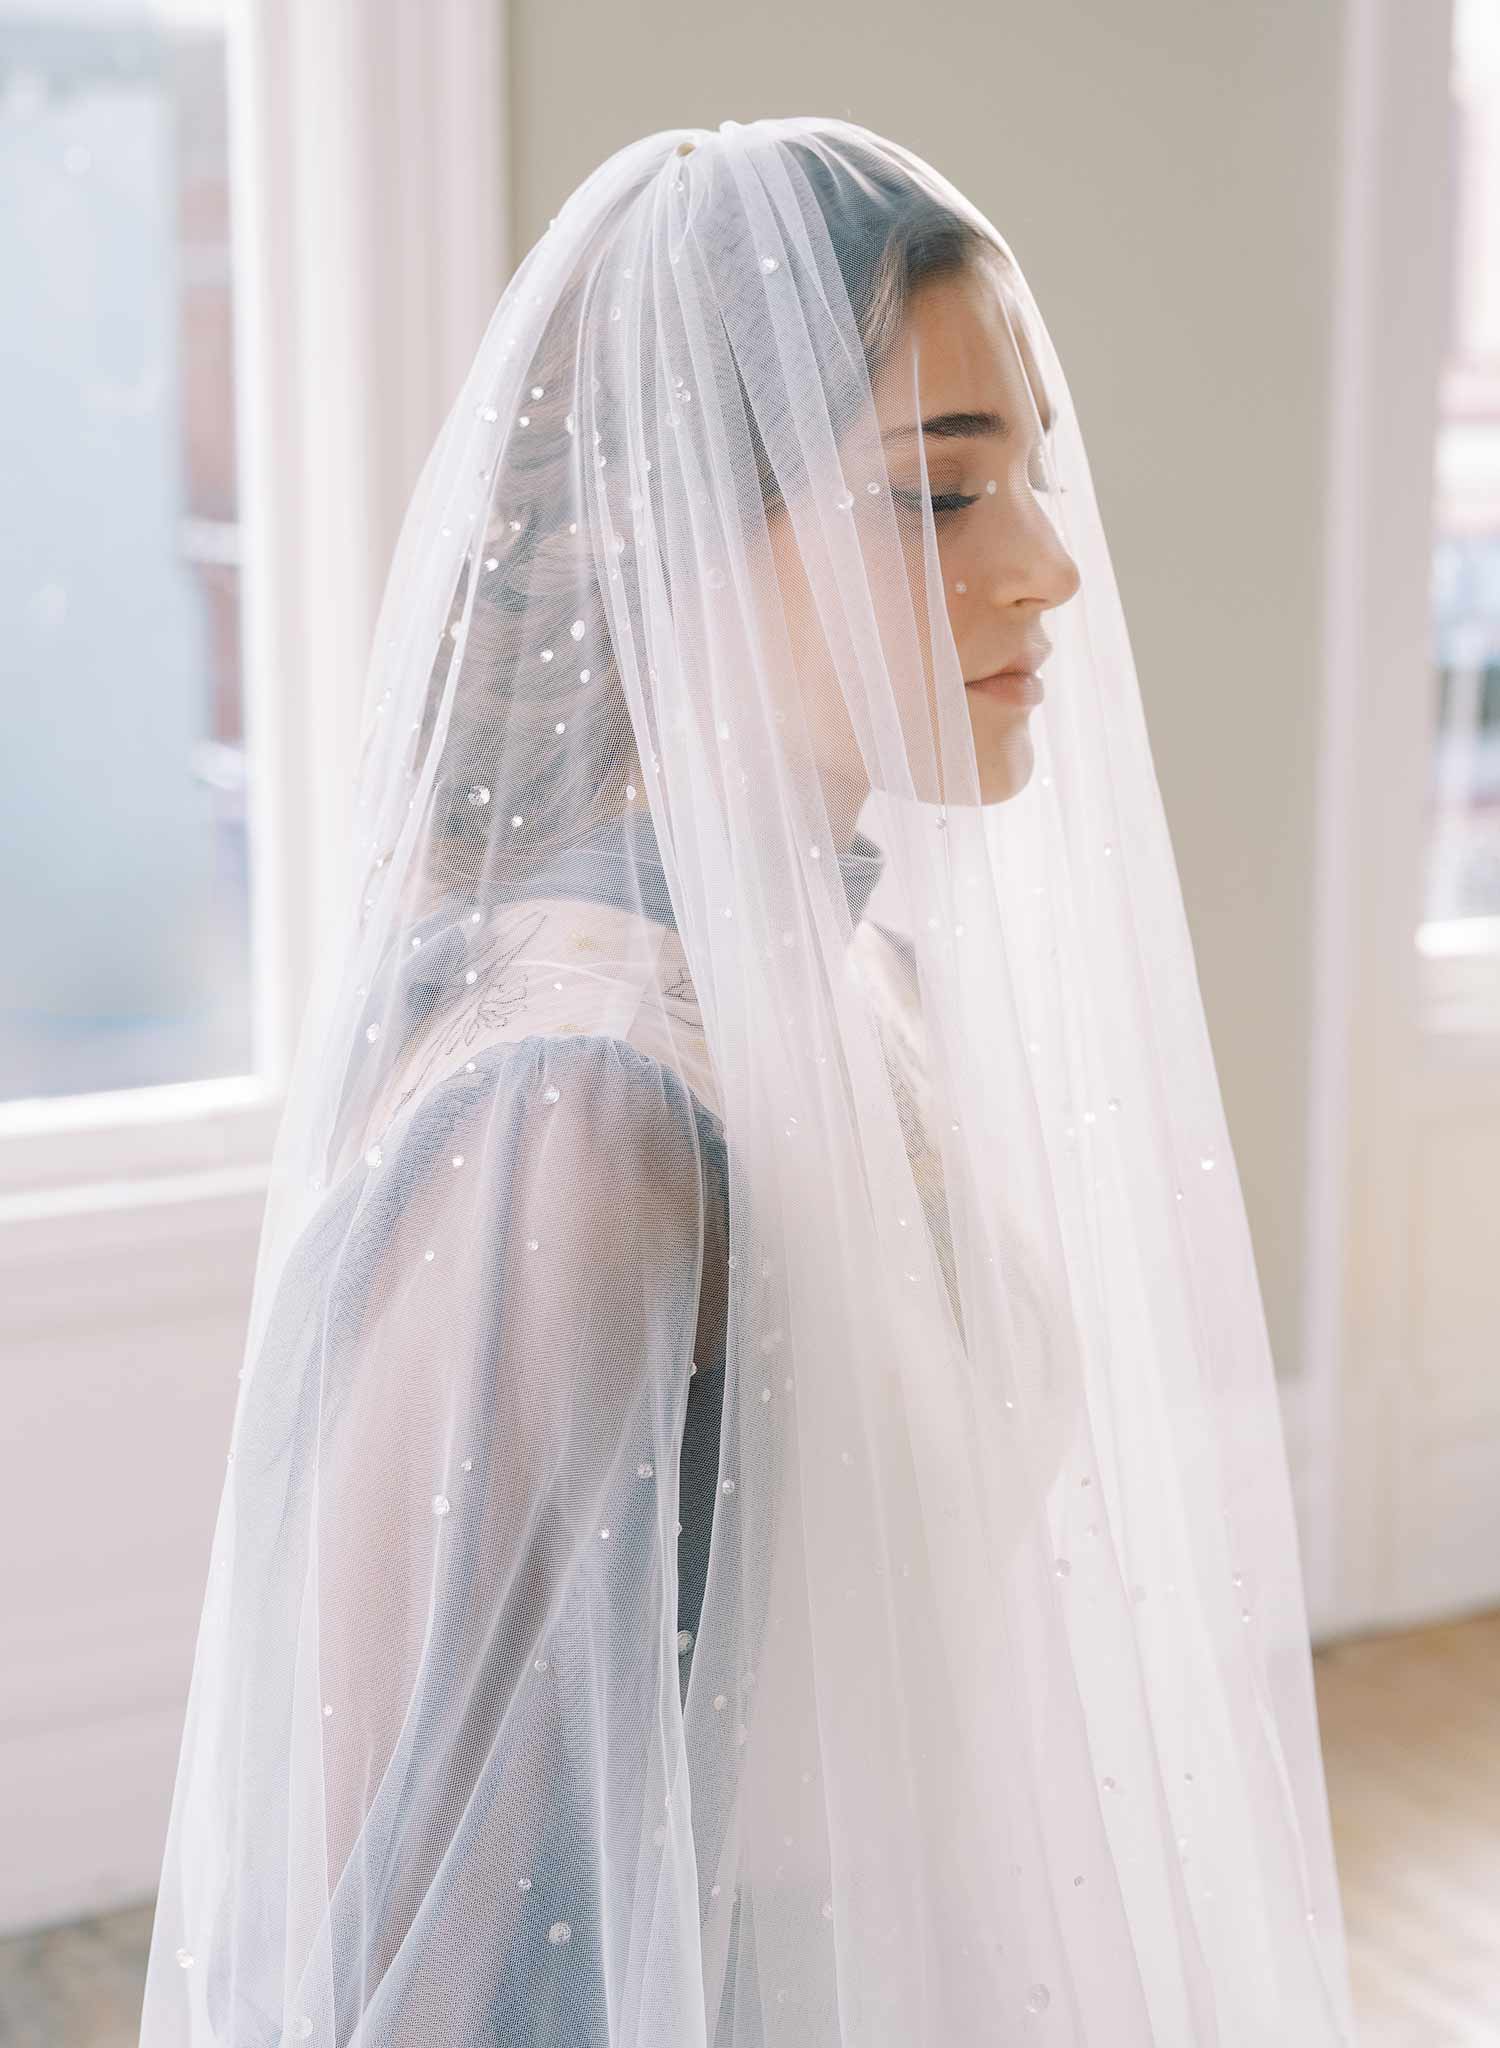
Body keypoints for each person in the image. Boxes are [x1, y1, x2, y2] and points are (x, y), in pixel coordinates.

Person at [138, 116, 1359, 2045]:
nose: (1047, 571)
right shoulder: (588, 1114)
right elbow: (430, 1904)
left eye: (1032, 478)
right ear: (663, 522)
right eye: (936, 498)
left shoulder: (861, 988)